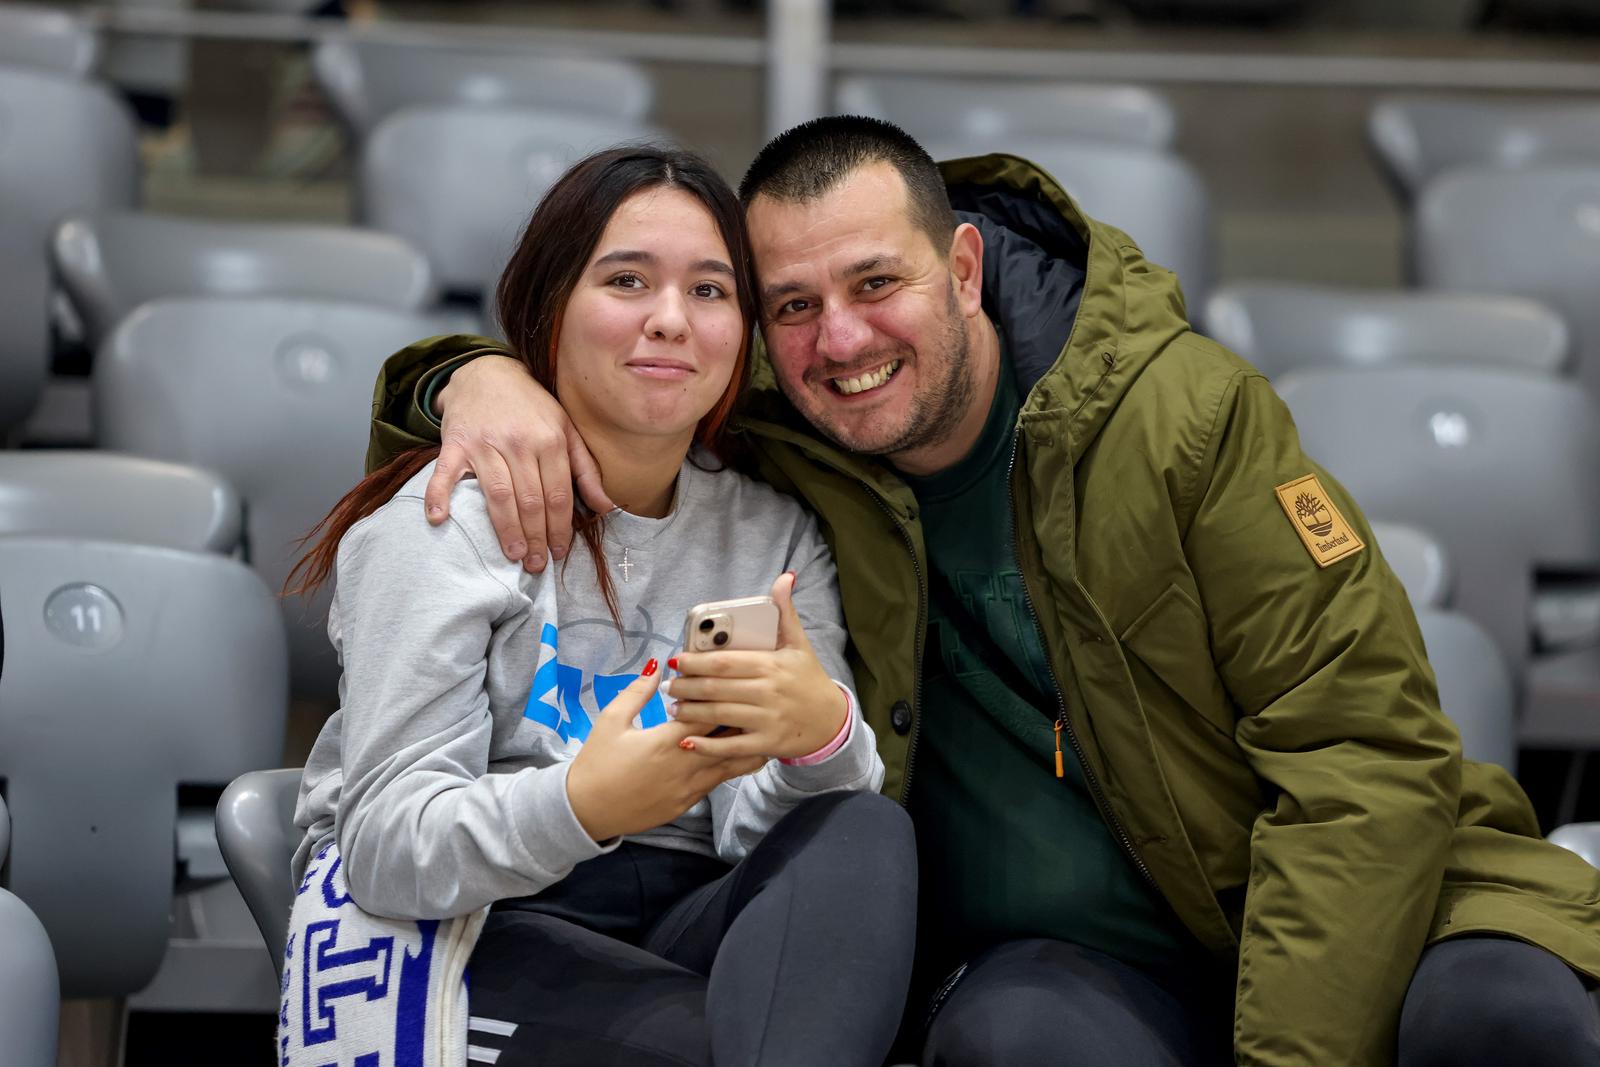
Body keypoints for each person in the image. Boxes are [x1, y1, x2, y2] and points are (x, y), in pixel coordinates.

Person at [364, 119, 1600, 1066]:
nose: (838, 340)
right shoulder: (790, 418)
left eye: (873, 284)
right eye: (789, 305)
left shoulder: (1182, 418)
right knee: (1022, 1043)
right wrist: (470, 377)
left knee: (1506, 1017)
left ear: (961, 265)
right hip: (1067, 958)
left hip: (1328, 896)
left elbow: (1361, 756)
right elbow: (613, 357)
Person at [281, 144, 917, 1067]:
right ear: (550, 310)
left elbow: (752, 827)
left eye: (709, 292)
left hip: (687, 905)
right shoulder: (446, 520)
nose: (670, 320)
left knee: (864, 825)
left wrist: (820, 741)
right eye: (626, 280)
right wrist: (581, 803)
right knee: (729, 1043)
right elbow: (383, 848)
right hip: (473, 920)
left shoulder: (773, 534)